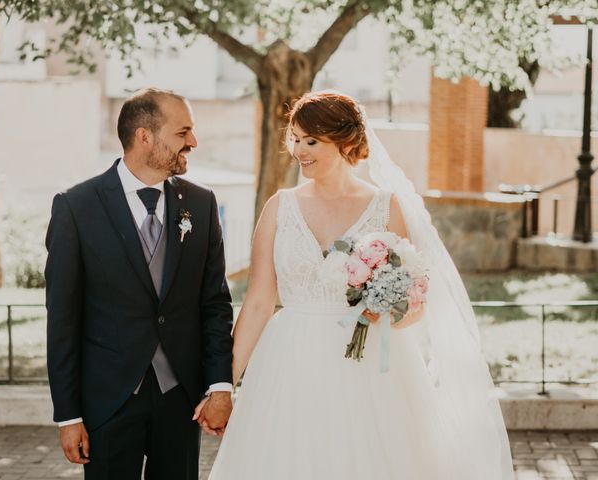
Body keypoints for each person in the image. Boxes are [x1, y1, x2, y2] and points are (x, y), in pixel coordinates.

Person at [202, 90, 514, 479]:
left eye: (311, 140)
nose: (299, 150)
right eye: (295, 139)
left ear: (345, 141)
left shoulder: (386, 208)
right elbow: (259, 304)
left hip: (371, 373)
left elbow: (412, 309)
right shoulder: (279, 207)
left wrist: (386, 305)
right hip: (290, 366)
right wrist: (222, 388)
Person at [45, 88, 234, 480]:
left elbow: (214, 303)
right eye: (183, 133)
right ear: (144, 136)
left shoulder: (200, 204)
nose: (193, 143)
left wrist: (220, 385)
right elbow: (62, 319)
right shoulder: (77, 207)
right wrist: (68, 415)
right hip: (108, 401)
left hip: (180, 399)